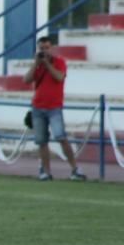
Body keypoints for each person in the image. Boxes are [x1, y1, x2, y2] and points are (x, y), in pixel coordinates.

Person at [23, 36, 86, 181]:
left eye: (47, 48)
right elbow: (26, 80)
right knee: (41, 141)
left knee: (61, 137)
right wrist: (36, 64)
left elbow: (59, 77)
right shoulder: (38, 65)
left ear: (52, 48)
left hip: (54, 107)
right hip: (38, 107)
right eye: (41, 48)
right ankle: (46, 171)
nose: (44, 51)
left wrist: (47, 64)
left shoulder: (60, 62)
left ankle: (74, 169)